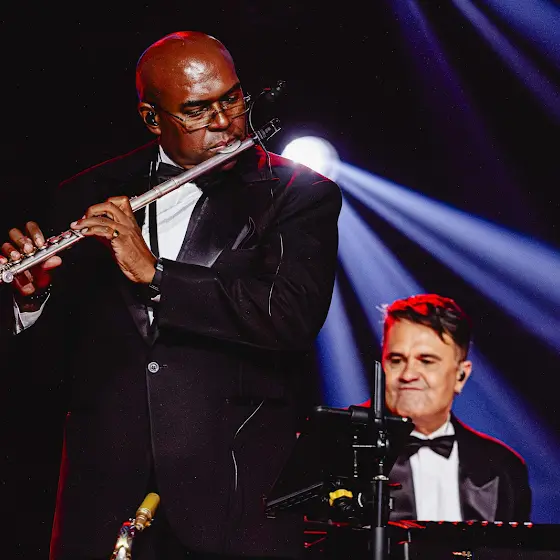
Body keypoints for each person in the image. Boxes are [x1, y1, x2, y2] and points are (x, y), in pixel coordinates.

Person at [1, 31, 342, 560]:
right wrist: (31, 300)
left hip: (235, 499)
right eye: (197, 110)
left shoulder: (300, 194)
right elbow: (53, 369)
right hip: (104, 495)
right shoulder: (87, 192)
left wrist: (155, 273)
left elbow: (289, 316)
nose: (225, 122)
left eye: (232, 99)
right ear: (152, 118)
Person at [380, 293, 532, 522]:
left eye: (426, 361)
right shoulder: (341, 450)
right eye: (396, 360)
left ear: (461, 375)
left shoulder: (504, 467)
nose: (408, 374)